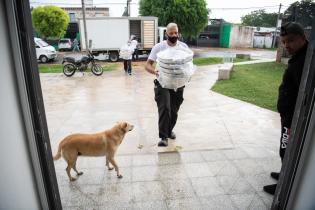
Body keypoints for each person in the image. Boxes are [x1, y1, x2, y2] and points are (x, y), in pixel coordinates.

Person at [263, 22, 308, 195]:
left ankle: (284, 186)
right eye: (283, 41)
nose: (286, 45)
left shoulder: (304, 61)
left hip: (292, 118)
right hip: (288, 116)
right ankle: (284, 174)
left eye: (290, 41)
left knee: (286, 149)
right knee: (285, 148)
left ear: (302, 39)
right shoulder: (300, 56)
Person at [145, 22, 189, 147]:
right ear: (166, 34)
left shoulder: (183, 47)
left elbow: (188, 64)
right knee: (165, 108)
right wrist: (155, 72)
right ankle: (163, 137)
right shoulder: (159, 47)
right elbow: (147, 65)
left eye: (176, 33)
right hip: (162, 83)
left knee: (174, 111)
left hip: (178, 84)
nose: (174, 35)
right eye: (171, 33)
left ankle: (169, 131)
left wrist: (188, 74)